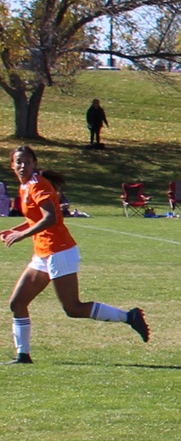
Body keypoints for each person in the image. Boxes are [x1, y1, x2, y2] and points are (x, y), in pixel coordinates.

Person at [5, 147, 149, 363]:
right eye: (18, 162)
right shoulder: (25, 186)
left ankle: (130, 316)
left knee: (72, 308)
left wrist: (23, 235)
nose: (22, 166)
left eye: (26, 162)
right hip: (43, 253)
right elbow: (37, 219)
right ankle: (23, 355)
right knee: (17, 303)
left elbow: (51, 218)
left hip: (59, 251)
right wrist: (17, 230)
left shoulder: (37, 185)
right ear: (12, 165)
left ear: (35, 164)